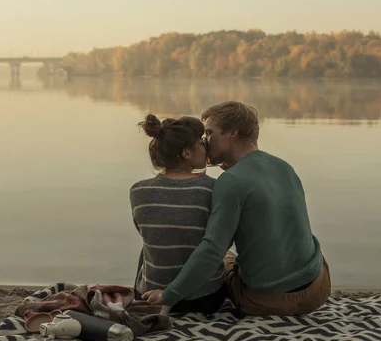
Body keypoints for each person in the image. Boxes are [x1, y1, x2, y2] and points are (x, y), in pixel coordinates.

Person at [142, 101, 331, 316]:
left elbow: (212, 252)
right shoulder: (283, 166)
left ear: (232, 132)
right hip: (318, 289)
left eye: (210, 133)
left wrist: (168, 296)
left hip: (266, 302)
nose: (206, 141)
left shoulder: (230, 181)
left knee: (220, 257)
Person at [130, 113, 226, 315]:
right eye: (201, 142)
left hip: (148, 297)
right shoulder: (212, 189)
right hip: (203, 300)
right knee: (226, 254)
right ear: (187, 154)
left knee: (152, 242)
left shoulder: (138, 191)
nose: (206, 147)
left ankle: (144, 288)